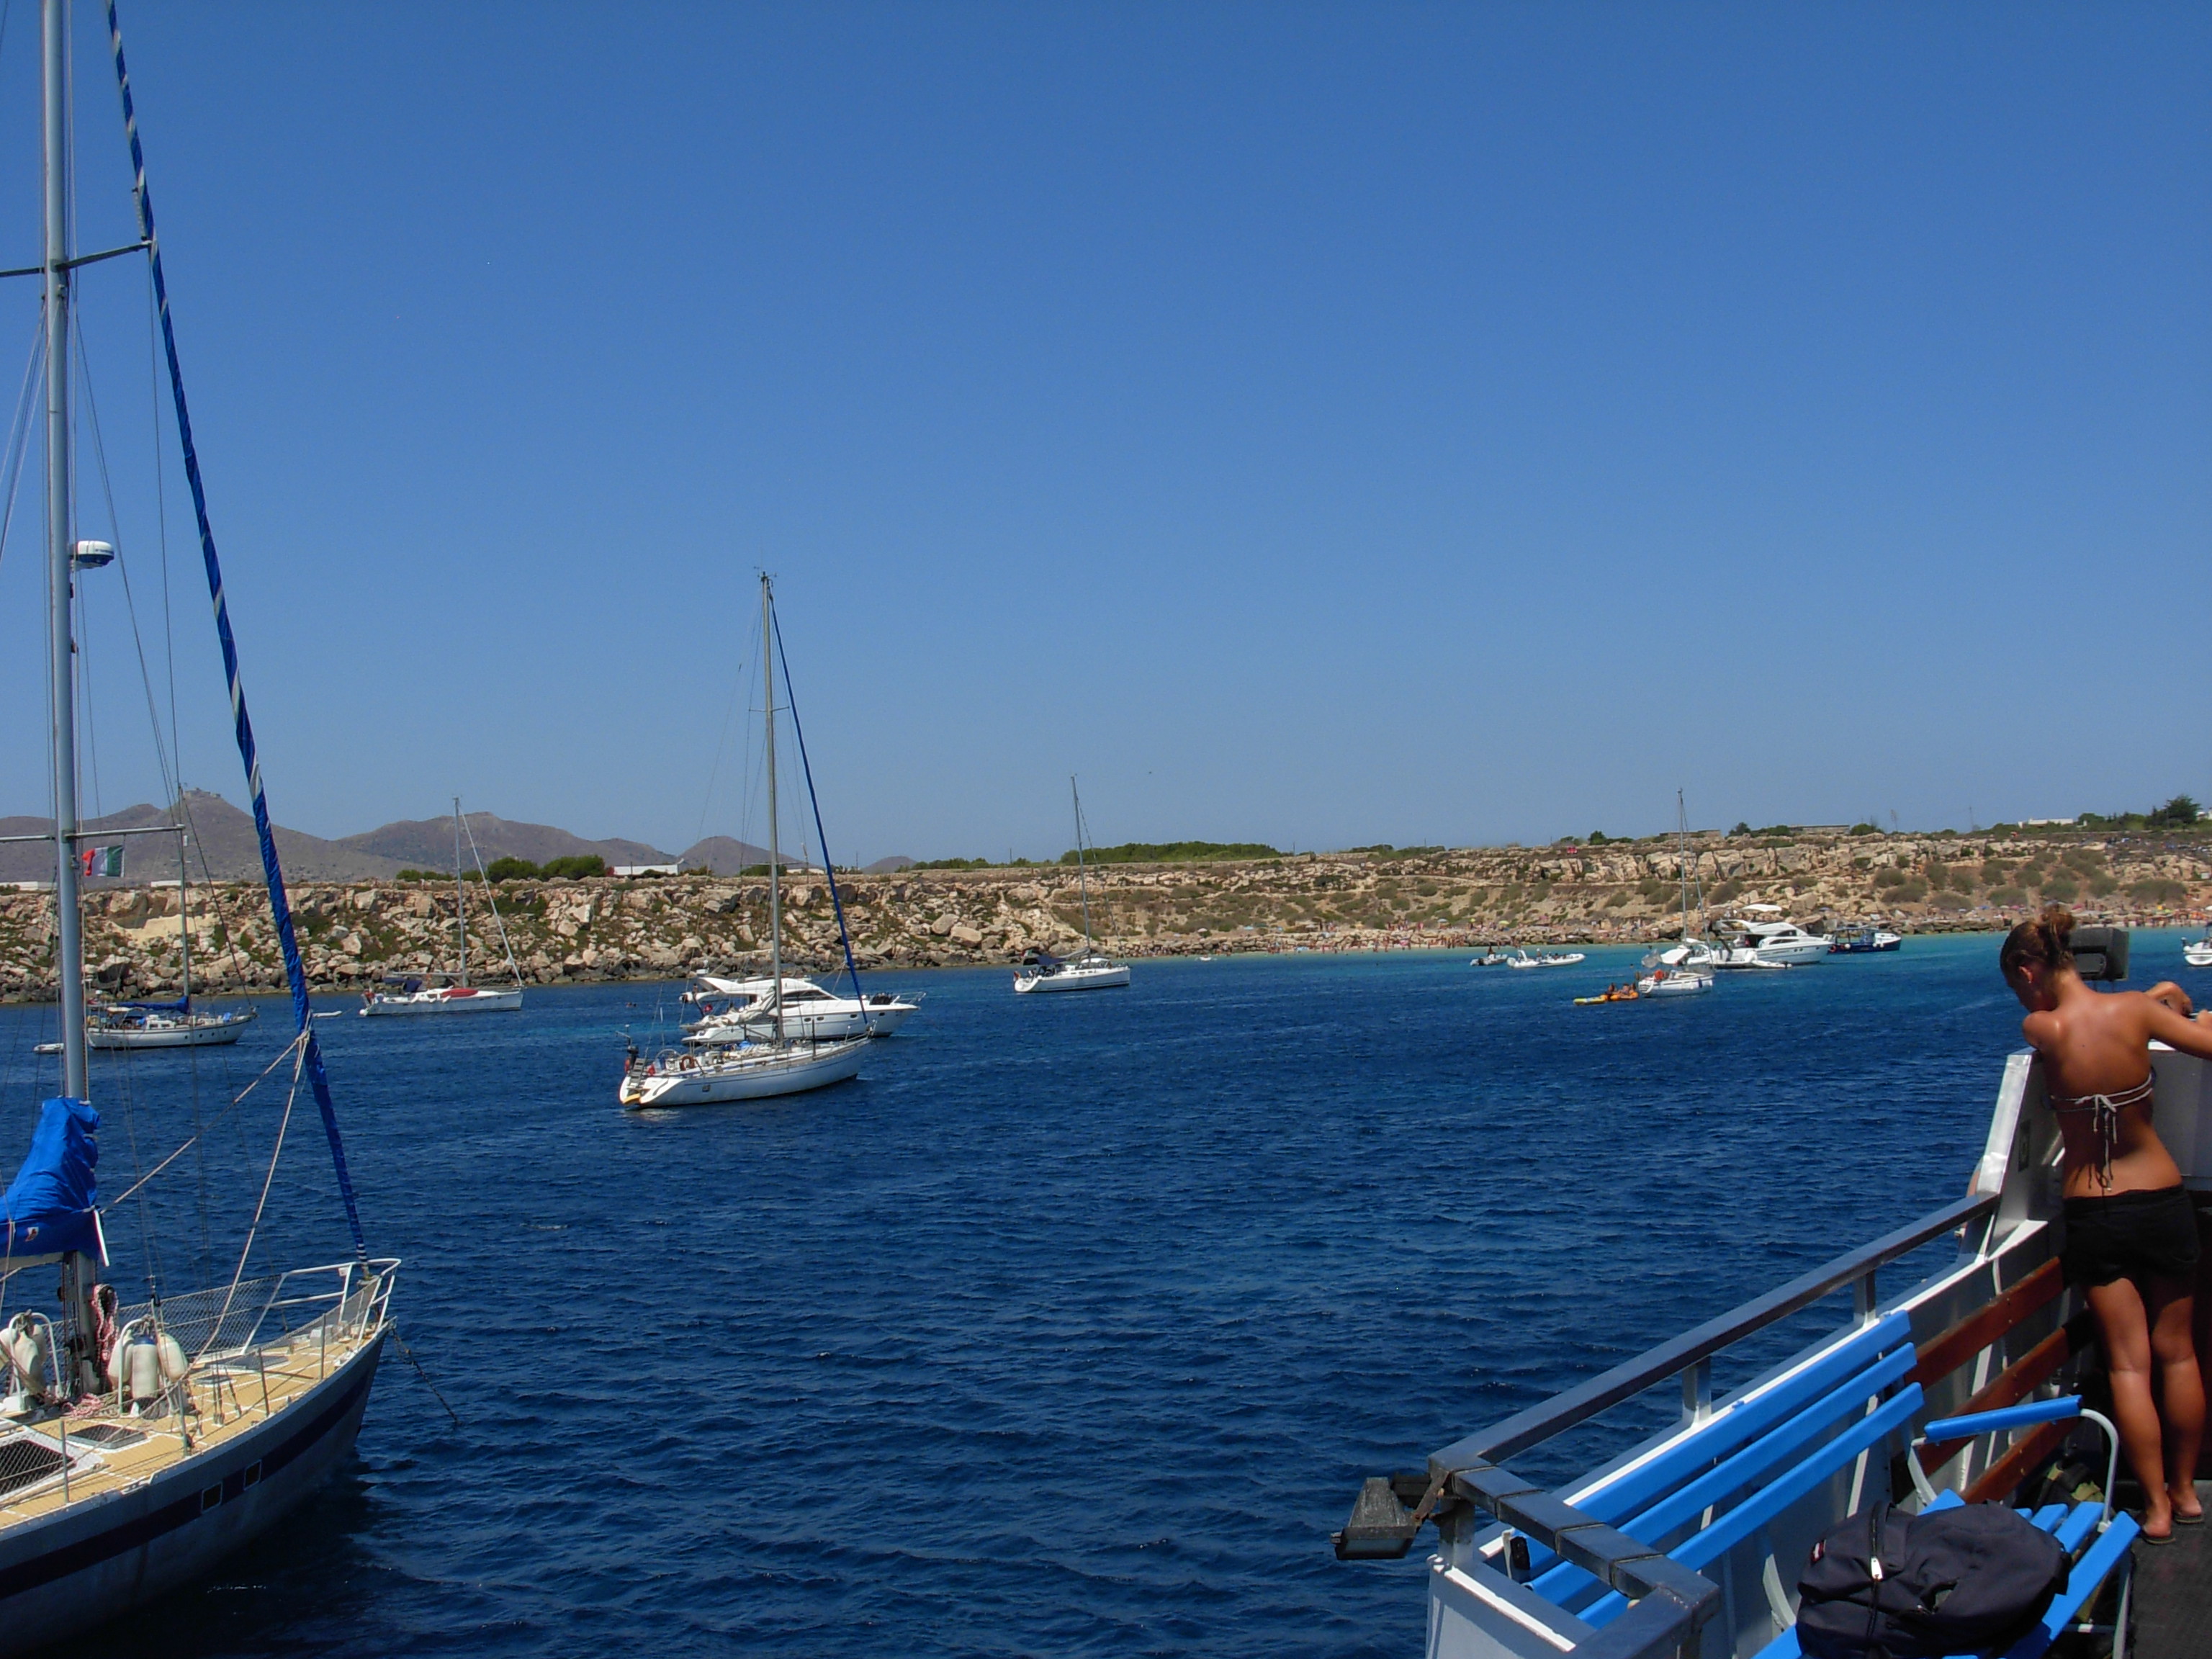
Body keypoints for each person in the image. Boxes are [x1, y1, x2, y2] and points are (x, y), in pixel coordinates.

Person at [2001, 905, 2212, 1539]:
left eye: (2017, 985)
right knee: (2179, 1355)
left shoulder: (2041, 1027)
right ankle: (2187, 1492)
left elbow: (2070, 1024)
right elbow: (2198, 1039)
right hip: (2162, 1200)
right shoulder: (2138, 1014)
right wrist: (2175, 1005)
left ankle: (2155, 1510)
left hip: (2096, 1211)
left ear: (2029, 970)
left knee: (2129, 1367)